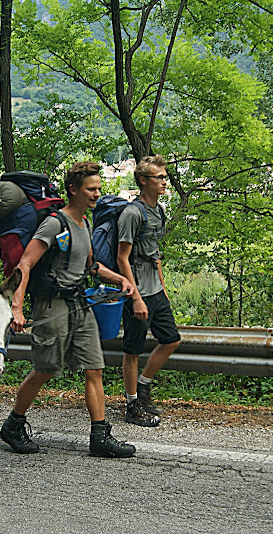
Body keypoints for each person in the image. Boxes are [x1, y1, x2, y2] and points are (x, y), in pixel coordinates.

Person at [0, 161, 137, 458]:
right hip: (52, 305)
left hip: (79, 304)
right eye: (91, 189)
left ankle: (100, 436)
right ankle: (13, 425)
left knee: (94, 368)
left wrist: (120, 279)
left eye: (99, 188)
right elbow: (26, 264)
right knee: (45, 369)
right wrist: (18, 306)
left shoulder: (85, 224)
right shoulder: (54, 224)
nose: (97, 194)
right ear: (73, 190)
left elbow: (91, 266)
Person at [117, 155, 180, 427]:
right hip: (137, 291)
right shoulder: (133, 213)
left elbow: (155, 254)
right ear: (143, 181)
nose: (165, 182)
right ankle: (132, 405)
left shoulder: (159, 210)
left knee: (171, 339)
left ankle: (143, 388)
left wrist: (163, 290)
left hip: (155, 289)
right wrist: (136, 298)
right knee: (133, 350)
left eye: (165, 177)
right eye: (160, 178)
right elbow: (122, 258)